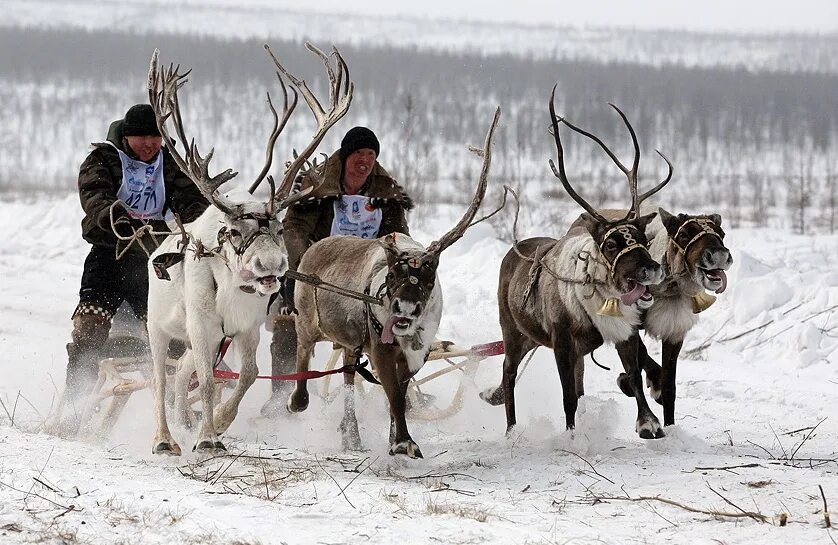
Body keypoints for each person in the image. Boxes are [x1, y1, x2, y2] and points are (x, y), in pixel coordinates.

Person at [261, 126, 413, 416]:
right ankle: (282, 391)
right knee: (287, 321)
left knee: (401, 316)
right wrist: (302, 266)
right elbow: (294, 227)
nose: (364, 161)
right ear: (345, 156)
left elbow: (397, 235)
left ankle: (404, 390)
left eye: (370, 154)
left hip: (367, 274)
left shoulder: (385, 188)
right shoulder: (316, 183)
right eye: (358, 153)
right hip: (318, 270)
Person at [65, 104, 209, 402]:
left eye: (155, 138)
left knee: (170, 328)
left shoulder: (169, 163)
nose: (149, 144)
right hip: (109, 253)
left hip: (153, 257)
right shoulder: (102, 158)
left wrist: (198, 223)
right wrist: (114, 216)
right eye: (141, 138)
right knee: (90, 327)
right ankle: (75, 401)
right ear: (127, 137)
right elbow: (94, 195)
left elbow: (189, 198)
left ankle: (178, 402)